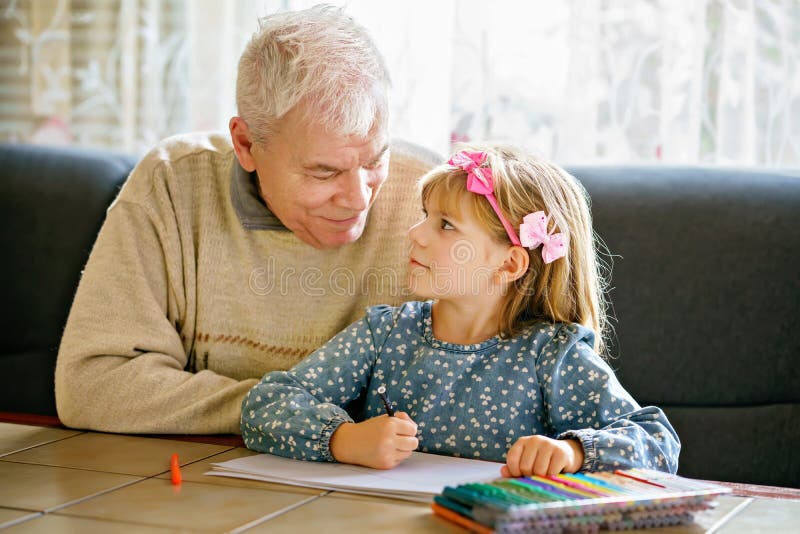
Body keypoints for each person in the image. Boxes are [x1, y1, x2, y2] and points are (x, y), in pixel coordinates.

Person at [54, 5, 439, 434]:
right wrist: (287, 416)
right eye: (323, 172)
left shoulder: (435, 198)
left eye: (374, 160)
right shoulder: (172, 183)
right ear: (246, 144)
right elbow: (92, 383)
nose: (357, 198)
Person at [241, 145, 680, 477]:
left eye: (445, 225)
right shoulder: (386, 332)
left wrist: (572, 452)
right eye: (425, 215)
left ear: (509, 264)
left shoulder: (553, 355)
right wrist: (343, 439)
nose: (415, 233)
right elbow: (266, 404)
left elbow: (658, 443)